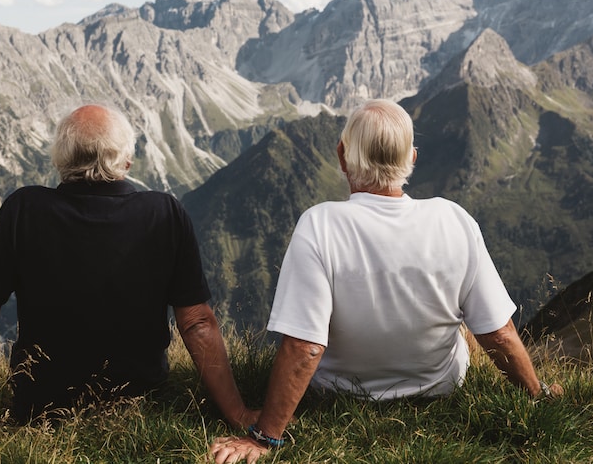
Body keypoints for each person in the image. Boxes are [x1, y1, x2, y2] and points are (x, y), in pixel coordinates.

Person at [210, 99, 563, 464]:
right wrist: (536, 395)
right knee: (464, 317)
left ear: (342, 155)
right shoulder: (453, 219)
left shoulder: (320, 224)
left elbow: (305, 347)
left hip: (338, 395)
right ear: (411, 158)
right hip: (439, 389)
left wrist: (265, 438)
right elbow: (498, 331)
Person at [0, 104, 254, 438]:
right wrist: (237, 414)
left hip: (39, 409)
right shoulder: (166, 214)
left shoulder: (23, 209)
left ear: (60, 161)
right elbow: (197, 323)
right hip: (141, 404)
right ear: (126, 161)